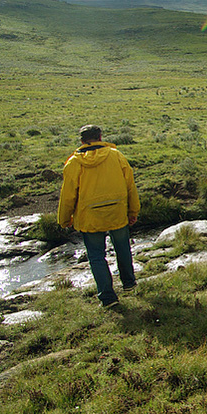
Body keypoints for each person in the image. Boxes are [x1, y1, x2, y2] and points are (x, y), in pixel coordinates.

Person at [58, 125, 140, 308]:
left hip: (90, 216)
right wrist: (133, 211)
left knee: (96, 256)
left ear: (82, 141)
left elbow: (68, 195)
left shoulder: (73, 163)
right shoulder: (116, 156)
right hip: (116, 211)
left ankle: (108, 297)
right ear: (101, 137)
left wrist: (64, 220)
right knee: (122, 247)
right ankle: (129, 283)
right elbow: (130, 186)